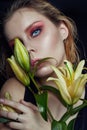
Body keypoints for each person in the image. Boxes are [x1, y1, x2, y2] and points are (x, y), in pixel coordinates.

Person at [0, 0, 87, 129]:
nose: (27, 49)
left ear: (63, 30)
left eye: (35, 32)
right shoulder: (16, 92)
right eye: (17, 46)